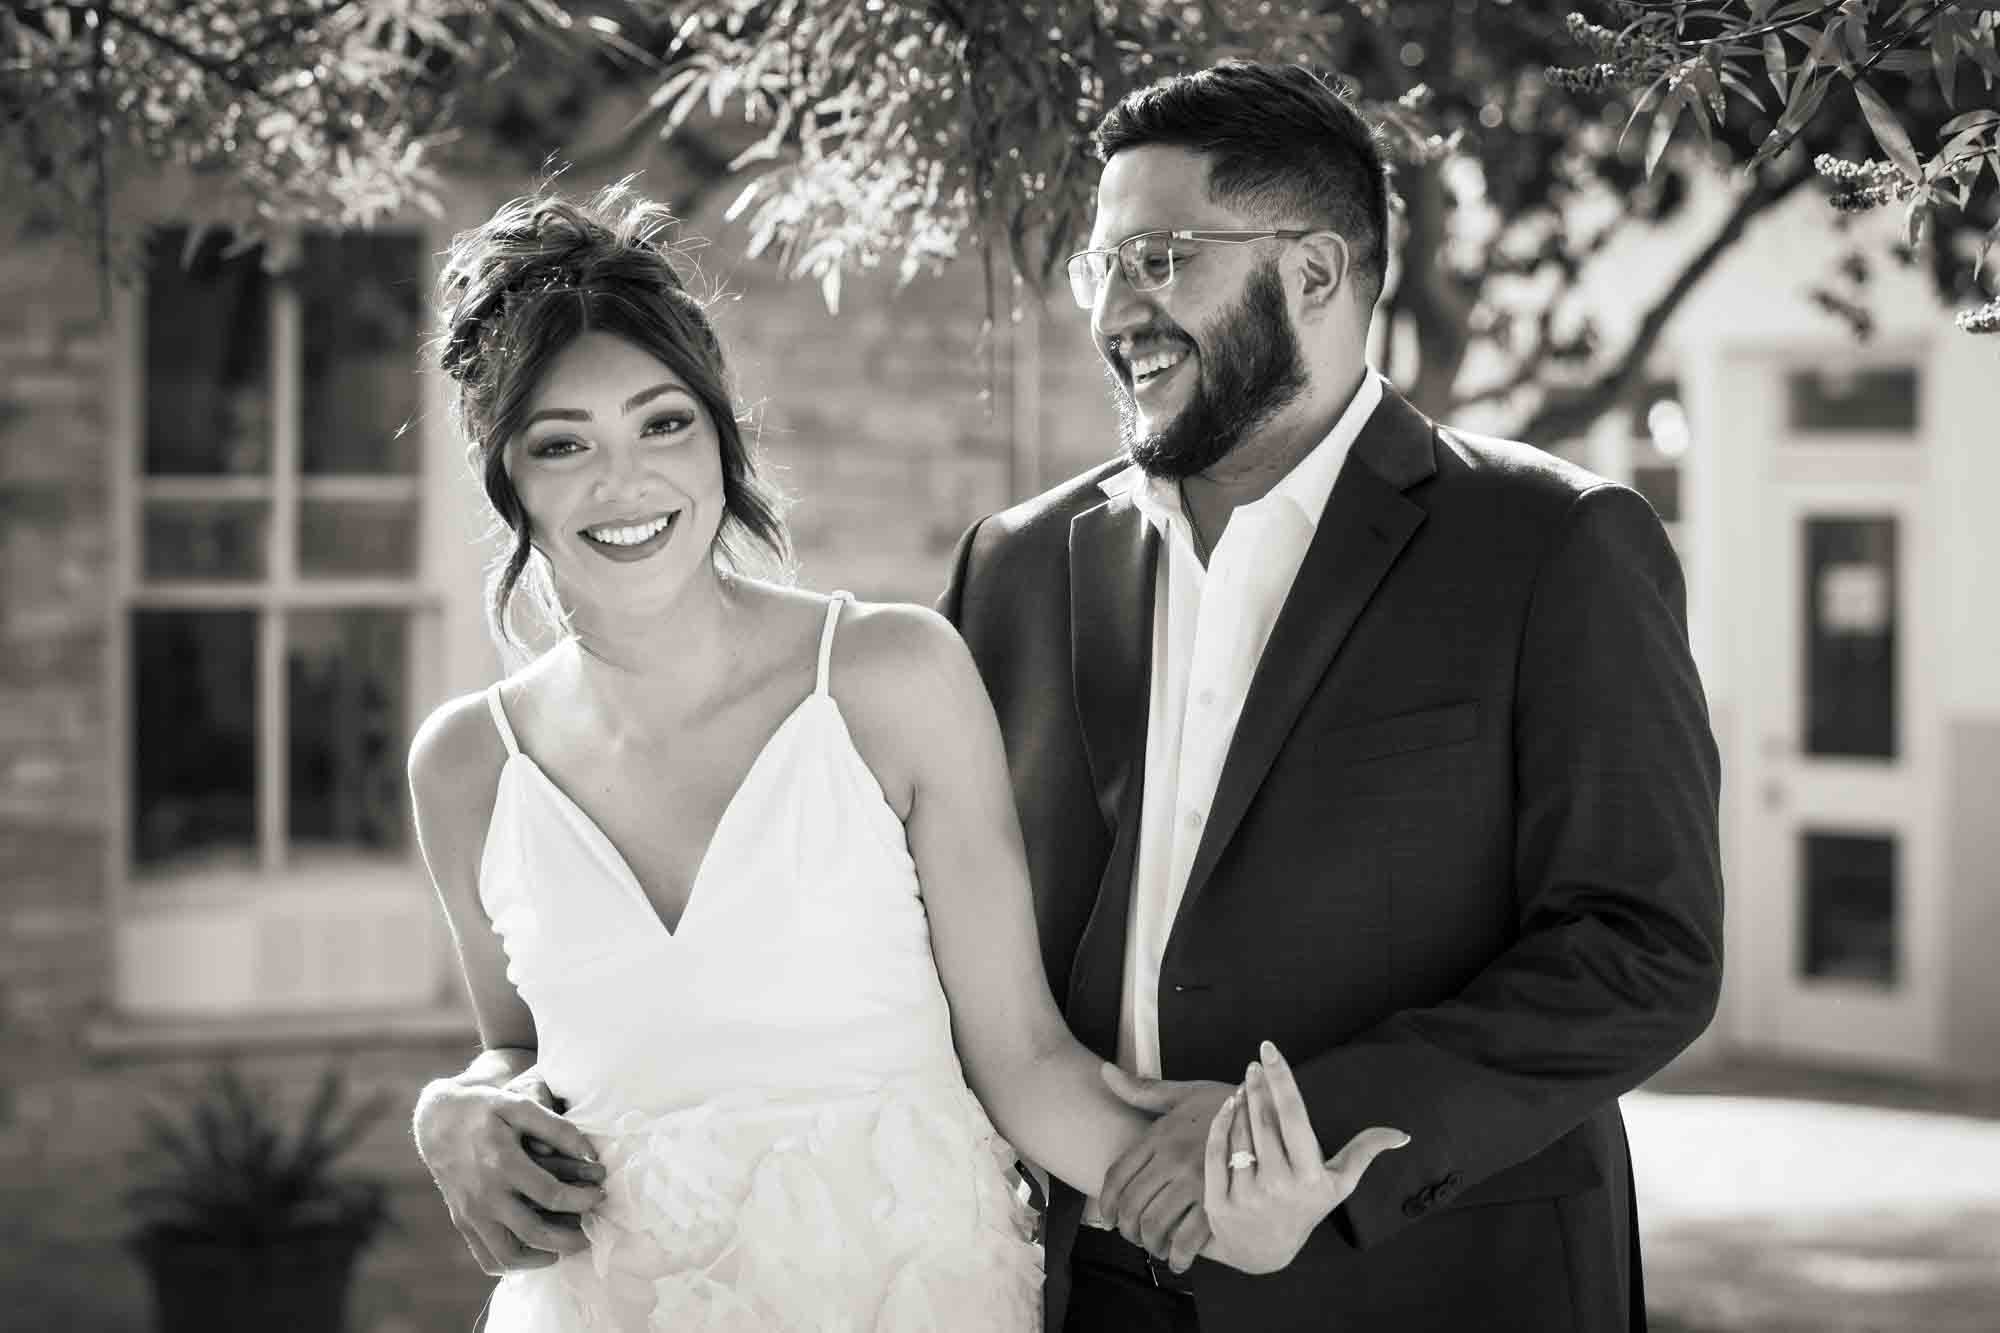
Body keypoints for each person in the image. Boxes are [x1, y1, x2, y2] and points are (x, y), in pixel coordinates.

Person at [403, 182, 1406, 1331]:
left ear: (719, 433)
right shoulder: (467, 764)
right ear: (506, 476)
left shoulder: (889, 678)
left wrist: (1227, 1210)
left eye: (662, 421)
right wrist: (458, 1105)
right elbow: (520, 1046)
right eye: (561, 443)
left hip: (904, 1292)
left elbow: (1024, 1061)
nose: (622, 482)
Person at [935, 60, 1725, 1332]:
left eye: (1161, 258)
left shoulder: (1553, 544)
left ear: (1313, 272)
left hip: (1426, 1282)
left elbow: (1639, 952)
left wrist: (1290, 1134)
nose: (1114, 311)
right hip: (1080, 1289)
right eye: (1100, 267)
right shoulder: (1014, 563)